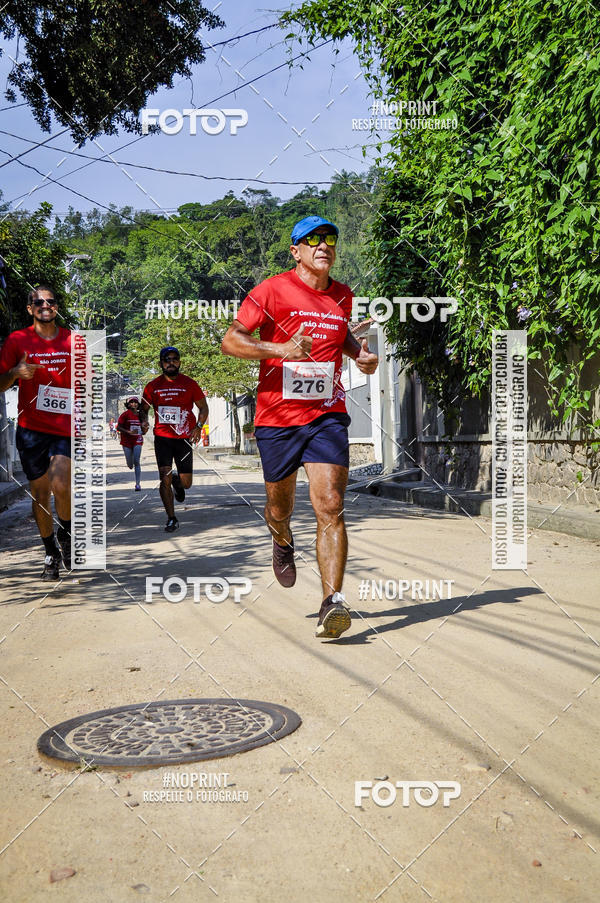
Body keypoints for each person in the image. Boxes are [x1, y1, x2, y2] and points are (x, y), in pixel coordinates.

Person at [221, 215, 379, 638]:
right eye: (313, 239)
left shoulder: (342, 295)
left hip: (326, 413)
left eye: (330, 238)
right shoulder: (271, 291)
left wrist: (359, 356)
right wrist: (280, 348)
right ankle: (282, 539)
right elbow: (231, 340)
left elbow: (341, 338)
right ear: (296, 250)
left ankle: (332, 602)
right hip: (277, 418)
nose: (323, 245)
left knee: (329, 503)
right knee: (280, 506)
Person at [0, 284, 72, 580]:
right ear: (30, 309)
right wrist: (15, 373)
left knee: (61, 483)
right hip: (31, 430)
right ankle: (50, 551)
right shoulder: (17, 340)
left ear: (56, 306)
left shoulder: (73, 340)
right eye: (38, 302)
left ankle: (66, 535)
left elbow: (87, 383)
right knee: (40, 493)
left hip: (64, 428)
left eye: (50, 301)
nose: (45, 305)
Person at [139, 347, 208, 532]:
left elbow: (204, 408)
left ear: (180, 362)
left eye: (175, 359)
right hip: (163, 438)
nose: (171, 362)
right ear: (161, 363)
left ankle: (179, 481)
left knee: (187, 483)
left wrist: (198, 427)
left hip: (184, 439)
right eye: (167, 359)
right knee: (164, 478)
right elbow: (143, 410)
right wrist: (144, 422)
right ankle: (171, 518)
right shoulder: (152, 386)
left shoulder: (190, 384)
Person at [117, 396, 143, 490]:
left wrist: (145, 427)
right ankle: (129, 462)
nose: (134, 404)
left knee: (137, 461)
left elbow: (144, 428)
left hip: (137, 440)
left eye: (135, 402)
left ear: (138, 404)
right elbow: (118, 427)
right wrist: (129, 432)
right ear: (128, 404)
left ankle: (138, 484)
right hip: (126, 441)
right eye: (131, 402)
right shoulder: (125, 415)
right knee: (130, 464)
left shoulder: (141, 415)